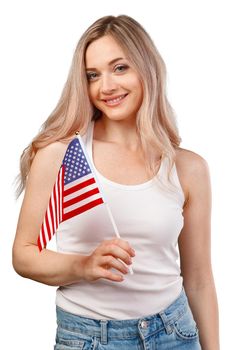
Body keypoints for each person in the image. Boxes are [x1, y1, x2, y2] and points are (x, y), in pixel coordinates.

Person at [12, 14, 219, 349]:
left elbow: (198, 279)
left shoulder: (189, 168)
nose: (105, 86)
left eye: (119, 68)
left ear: (146, 69)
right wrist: (83, 265)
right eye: (92, 75)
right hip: (90, 338)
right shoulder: (62, 155)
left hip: (175, 334)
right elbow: (23, 255)